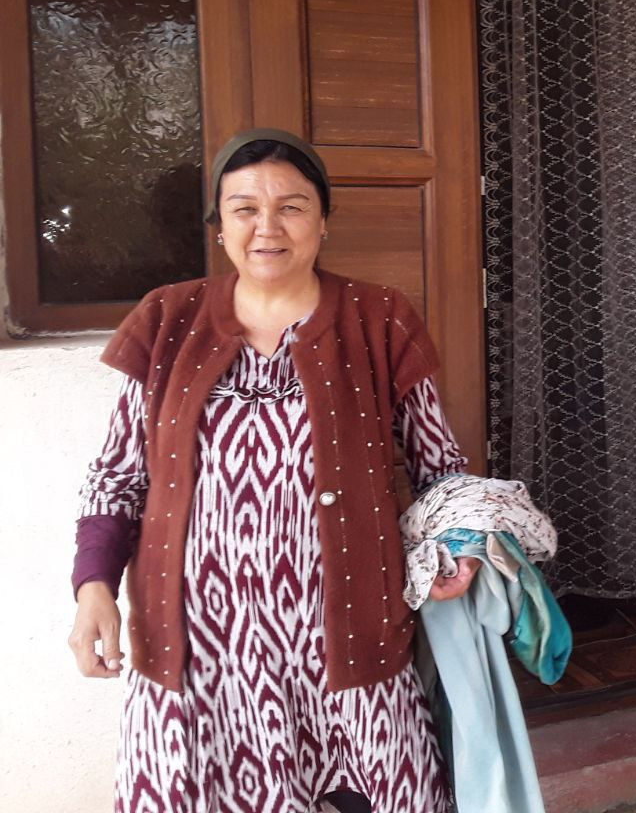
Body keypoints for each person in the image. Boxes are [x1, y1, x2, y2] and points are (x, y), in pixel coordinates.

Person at [67, 129, 485, 813]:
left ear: (323, 221)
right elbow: (117, 479)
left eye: (291, 206)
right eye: (245, 208)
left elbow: (442, 470)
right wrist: (94, 589)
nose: (268, 226)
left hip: (346, 636)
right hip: (197, 649)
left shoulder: (379, 318)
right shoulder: (166, 318)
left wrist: (458, 547)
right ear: (220, 226)